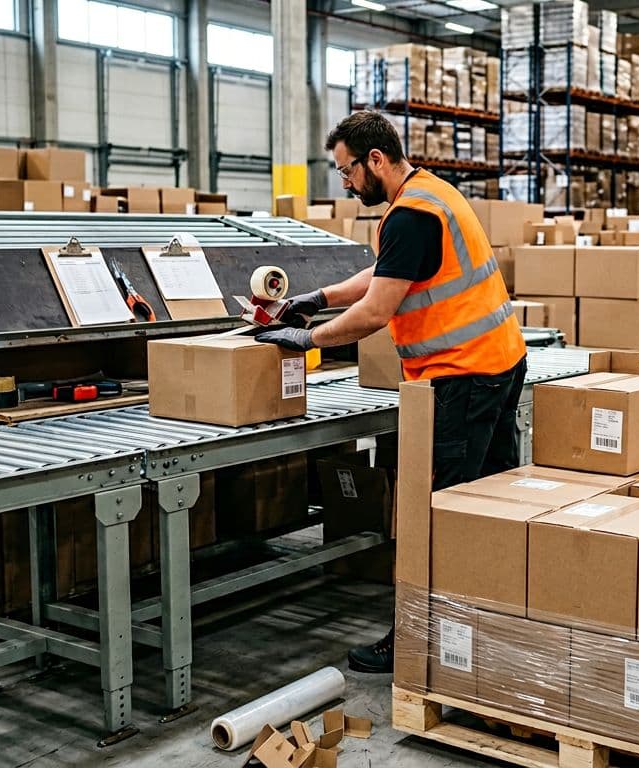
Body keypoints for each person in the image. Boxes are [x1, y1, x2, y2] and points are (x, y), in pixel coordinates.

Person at [254, 111, 527, 673]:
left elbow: (376, 312)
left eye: (347, 171)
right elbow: (386, 273)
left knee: (440, 515)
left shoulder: (410, 215)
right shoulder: (429, 195)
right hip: (499, 365)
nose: (347, 183)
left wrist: (304, 338)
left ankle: (421, 642)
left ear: (374, 160)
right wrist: (317, 297)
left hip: (461, 380)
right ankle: (493, 624)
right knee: (488, 505)